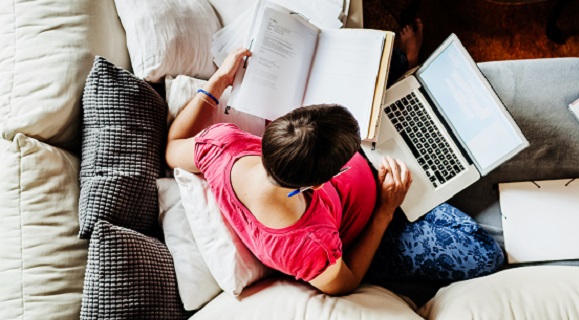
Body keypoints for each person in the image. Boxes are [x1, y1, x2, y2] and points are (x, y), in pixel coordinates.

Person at [165, 36, 503, 297]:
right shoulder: (306, 247)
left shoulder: (222, 144)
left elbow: (171, 148)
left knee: (383, 57)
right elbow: (346, 282)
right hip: (377, 222)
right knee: (486, 256)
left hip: (363, 162)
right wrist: (386, 209)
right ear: (321, 183)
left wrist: (218, 82)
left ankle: (406, 66)